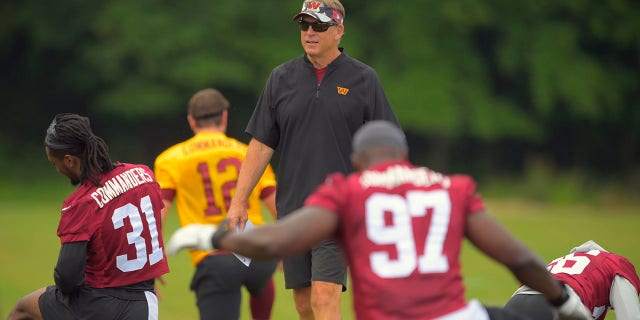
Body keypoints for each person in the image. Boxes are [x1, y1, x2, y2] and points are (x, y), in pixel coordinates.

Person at [167, 120, 592, 320]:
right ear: (404, 155)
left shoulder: (347, 190)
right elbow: (516, 256)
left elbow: (276, 241)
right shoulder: (451, 186)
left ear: (357, 161)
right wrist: (562, 299)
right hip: (455, 317)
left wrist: (212, 235)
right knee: (533, 312)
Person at [225, 1, 399, 319]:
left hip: (339, 209)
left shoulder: (364, 79)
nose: (309, 32)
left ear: (339, 31)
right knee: (305, 304)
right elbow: (261, 145)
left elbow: (385, 147)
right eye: (304, 25)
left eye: (318, 26)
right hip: (292, 210)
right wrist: (240, 200)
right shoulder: (281, 78)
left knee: (324, 297)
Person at [8, 113, 170, 320]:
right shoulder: (144, 174)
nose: (57, 169)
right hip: (144, 303)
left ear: (69, 160)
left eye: (54, 163)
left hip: (97, 305)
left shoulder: (81, 203)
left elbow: (67, 279)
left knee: (22, 309)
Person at [154, 88, 279, 320]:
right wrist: (287, 249)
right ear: (224, 117)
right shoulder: (247, 153)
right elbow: (277, 205)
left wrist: (151, 262)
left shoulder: (170, 159)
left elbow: (157, 215)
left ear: (191, 121)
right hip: (258, 253)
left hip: (214, 256)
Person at [504, 240, 640, 320]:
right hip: (555, 306)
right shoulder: (617, 265)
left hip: (515, 302)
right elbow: (630, 316)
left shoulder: (564, 262)